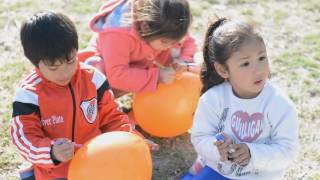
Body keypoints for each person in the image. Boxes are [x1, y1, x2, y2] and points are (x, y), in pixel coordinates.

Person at [11, 11, 157, 180]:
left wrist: (131, 139)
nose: (65, 72)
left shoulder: (93, 79)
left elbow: (113, 117)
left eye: (71, 60)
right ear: (36, 62)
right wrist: (51, 152)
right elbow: (24, 138)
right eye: (53, 67)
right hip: (56, 171)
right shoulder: (29, 94)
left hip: (96, 160)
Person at [182, 17, 299, 180]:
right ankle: (199, 168)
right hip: (219, 171)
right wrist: (217, 150)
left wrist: (252, 154)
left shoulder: (280, 105)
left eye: (261, 58)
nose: (258, 70)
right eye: (245, 64)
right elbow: (200, 138)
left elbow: (287, 151)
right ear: (223, 70)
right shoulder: (213, 99)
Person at [78, 0, 196, 97]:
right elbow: (116, 75)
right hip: (111, 67)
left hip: (141, 62)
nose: (170, 46)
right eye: (165, 42)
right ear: (145, 28)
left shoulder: (170, 23)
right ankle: (104, 110)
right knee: (97, 74)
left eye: (175, 41)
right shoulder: (118, 34)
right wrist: (157, 76)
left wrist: (182, 61)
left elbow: (187, 42)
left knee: (179, 51)